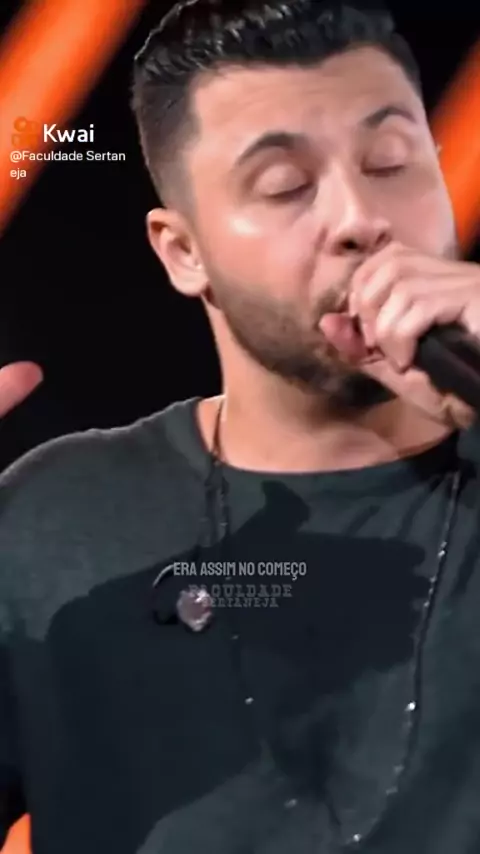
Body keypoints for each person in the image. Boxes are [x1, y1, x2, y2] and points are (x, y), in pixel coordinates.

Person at [1, 1, 480, 851]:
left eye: (392, 162)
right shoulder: (55, 515)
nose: (360, 220)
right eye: (286, 185)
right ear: (182, 252)